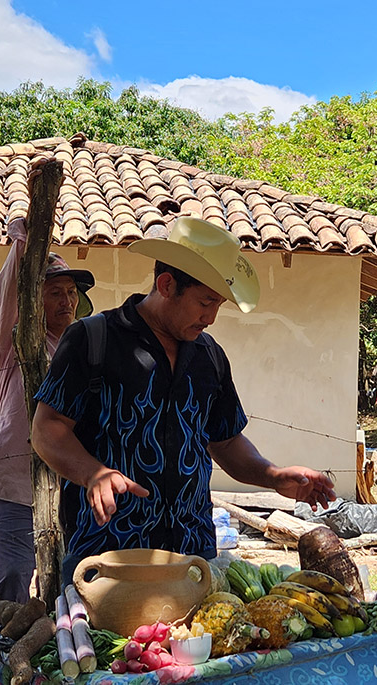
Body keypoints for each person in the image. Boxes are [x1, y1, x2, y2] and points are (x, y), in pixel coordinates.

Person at [30, 217, 336, 582]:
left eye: (219, 304)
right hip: (107, 559)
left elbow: (225, 440)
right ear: (167, 284)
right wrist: (93, 473)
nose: (211, 316)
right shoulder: (92, 339)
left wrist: (273, 476)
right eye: (205, 302)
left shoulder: (210, 356)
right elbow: (47, 428)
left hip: (193, 560)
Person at [0, 207, 95, 678]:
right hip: (17, 485)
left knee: (67, 582)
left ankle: (52, 666)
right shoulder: (18, 344)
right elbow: (9, 296)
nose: (66, 301)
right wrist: (26, 240)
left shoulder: (79, 355)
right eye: (54, 293)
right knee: (13, 583)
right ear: (34, 302)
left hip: (69, 488)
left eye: (71, 293)